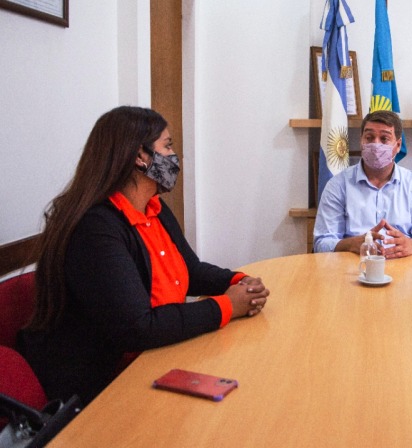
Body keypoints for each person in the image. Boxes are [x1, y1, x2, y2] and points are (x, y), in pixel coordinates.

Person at [18, 106, 270, 405]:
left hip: (155, 357)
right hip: (104, 388)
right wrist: (228, 305)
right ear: (140, 156)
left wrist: (240, 282)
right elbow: (139, 327)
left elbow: (191, 271)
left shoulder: (154, 208)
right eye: (167, 146)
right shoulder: (95, 228)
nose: (174, 156)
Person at [313, 110, 412, 258]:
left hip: (403, 267)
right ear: (361, 141)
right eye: (369, 138)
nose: (375, 144)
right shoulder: (338, 185)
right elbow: (321, 244)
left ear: (398, 145)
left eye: (384, 139)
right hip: (353, 266)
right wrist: (350, 244)